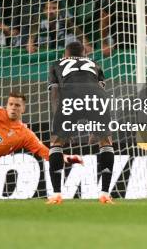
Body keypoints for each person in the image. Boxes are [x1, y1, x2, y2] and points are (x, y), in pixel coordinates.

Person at [46, 41, 112, 205]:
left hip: (70, 97)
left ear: (65, 55)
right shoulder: (94, 64)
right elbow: (100, 89)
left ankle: (56, 195)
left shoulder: (57, 64)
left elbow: (55, 92)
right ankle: (104, 194)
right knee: (106, 143)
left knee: (56, 144)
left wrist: (60, 122)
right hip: (97, 98)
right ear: (85, 55)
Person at [26, 0, 93, 54]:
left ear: (59, 10)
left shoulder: (64, 19)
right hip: (46, 52)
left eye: (54, 8)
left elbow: (78, 32)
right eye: (47, 8)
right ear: (44, 11)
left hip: (63, 51)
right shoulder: (38, 20)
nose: (51, 11)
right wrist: (30, 45)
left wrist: (86, 44)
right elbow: (32, 36)